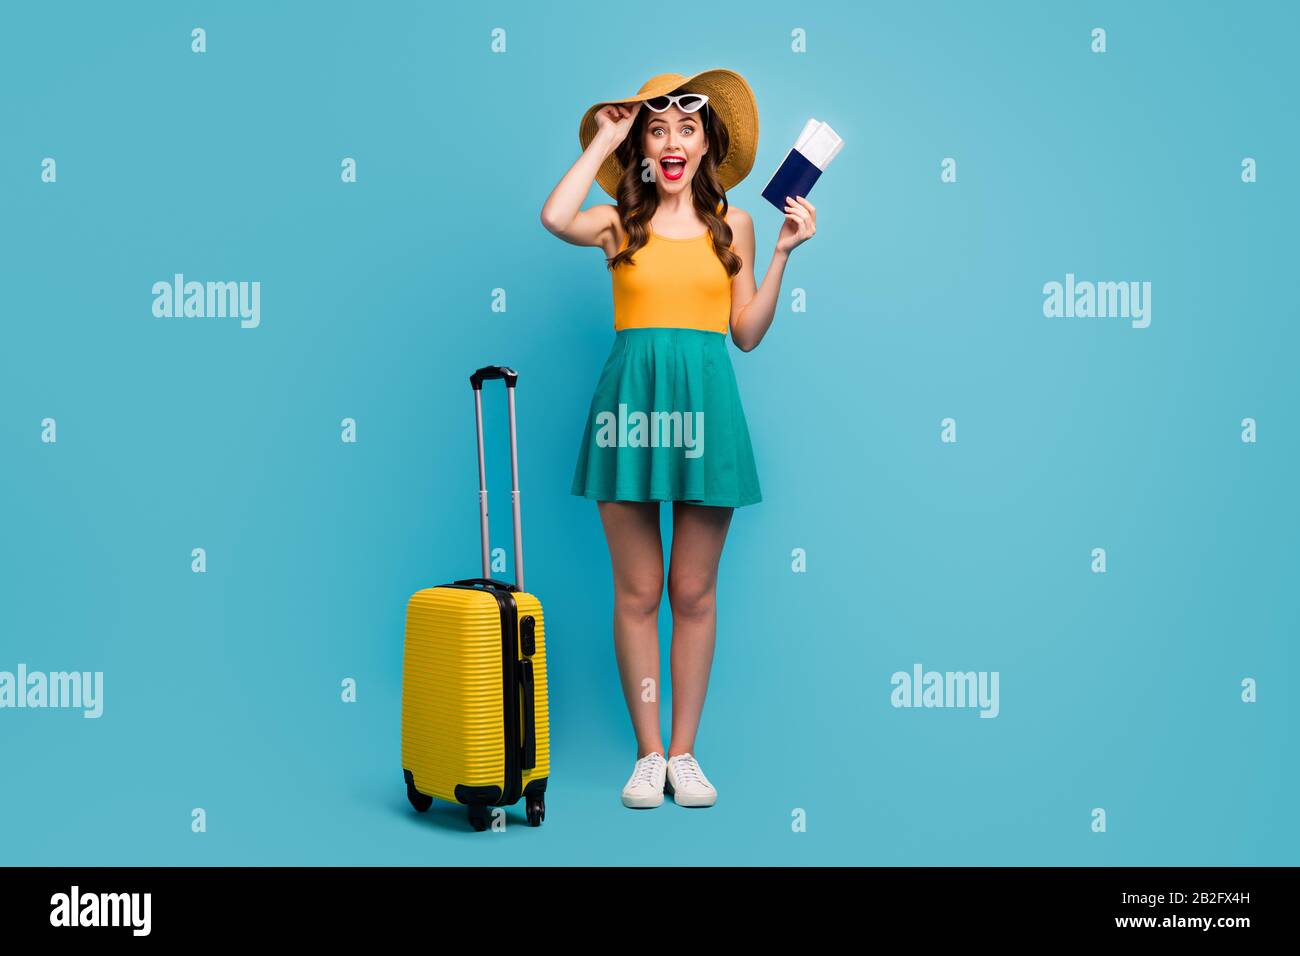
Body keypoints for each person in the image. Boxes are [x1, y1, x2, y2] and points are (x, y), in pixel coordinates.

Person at [540, 69, 817, 809]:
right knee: (639, 591)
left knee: (692, 592)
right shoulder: (614, 222)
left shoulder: (737, 224)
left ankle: (685, 756)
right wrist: (604, 132)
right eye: (656, 130)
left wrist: (786, 251)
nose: (671, 142)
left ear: (706, 146)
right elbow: (551, 215)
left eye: (685, 130)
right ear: (641, 146)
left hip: (707, 408)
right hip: (629, 410)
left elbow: (747, 335)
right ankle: (648, 753)